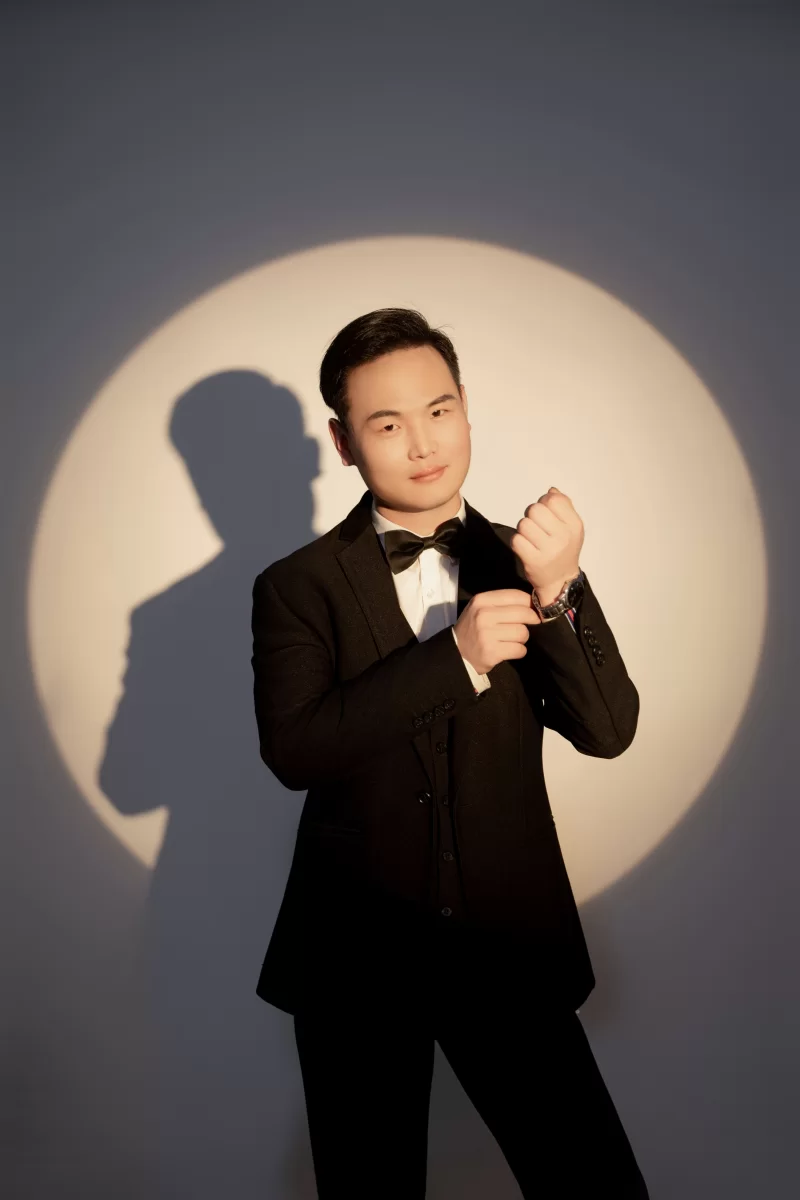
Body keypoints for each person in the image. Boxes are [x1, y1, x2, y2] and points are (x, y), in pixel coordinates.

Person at [250, 308, 649, 1197]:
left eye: (438, 411)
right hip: (355, 960)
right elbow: (296, 749)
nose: (423, 444)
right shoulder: (295, 586)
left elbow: (608, 730)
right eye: (387, 424)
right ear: (343, 442)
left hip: (508, 948)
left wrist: (560, 586)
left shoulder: (526, 561)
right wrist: (455, 659)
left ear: (466, 408)